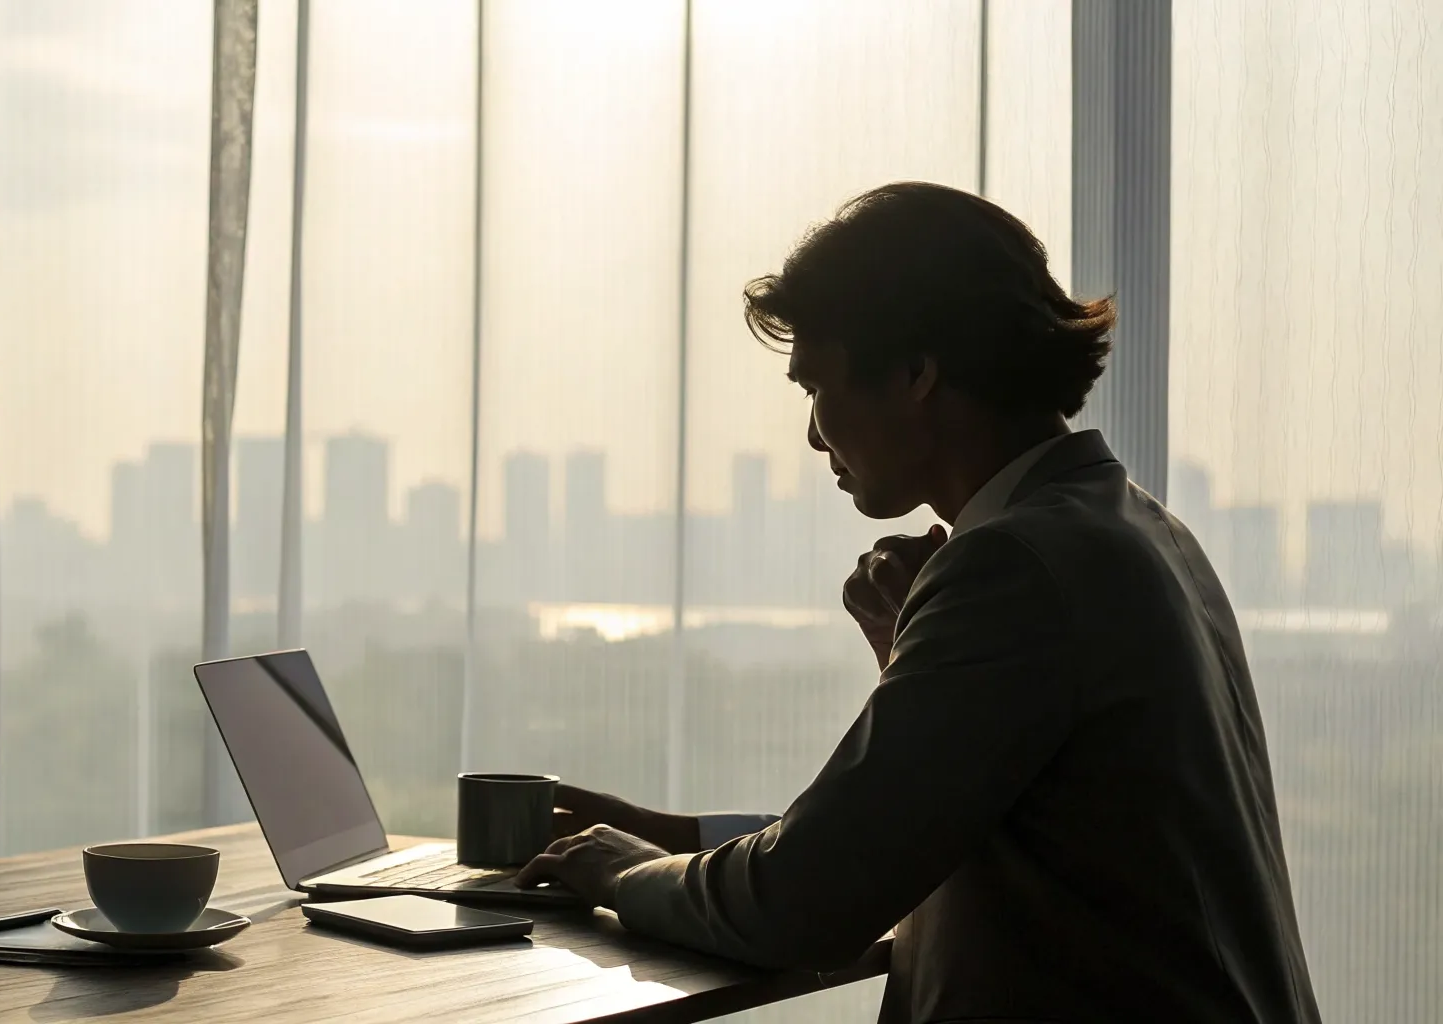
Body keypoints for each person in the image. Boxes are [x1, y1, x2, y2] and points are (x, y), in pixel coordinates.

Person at [515, 182, 1321, 1023]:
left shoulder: (1013, 567)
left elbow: (808, 903)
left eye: (815, 386)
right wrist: (676, 840)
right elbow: (924, 824)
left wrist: (623, 874)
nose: (813, 434)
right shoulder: (1142, 530)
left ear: (914, 373)